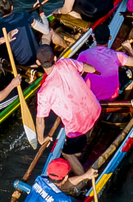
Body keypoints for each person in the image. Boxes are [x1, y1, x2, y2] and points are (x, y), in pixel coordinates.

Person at [33, 45, 101, 175]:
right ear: (55, 58)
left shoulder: (43, 93)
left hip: (78, 126)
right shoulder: (66, 62)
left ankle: (83, 178)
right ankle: (80, 149)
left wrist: (41, 139)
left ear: (38, 63)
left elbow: (40, 119)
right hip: (94, 109)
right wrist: (94, 70)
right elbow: (89, 68)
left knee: (66, 153)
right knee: (82, 135)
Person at [77, 39, 133, 104]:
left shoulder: (84, 54)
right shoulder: (115, 55)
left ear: (94, 38)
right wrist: (129, 48)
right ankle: (124, 100)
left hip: (91, 95)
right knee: (129, 74)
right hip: (111, 96)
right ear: (109, 38)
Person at [0, 0, 44, 68]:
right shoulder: (24, 15)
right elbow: (45, 30)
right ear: (12, 7)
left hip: (19, 64)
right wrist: (41, 12)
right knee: (49, 33)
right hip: (37, 58)